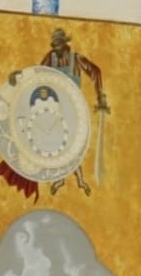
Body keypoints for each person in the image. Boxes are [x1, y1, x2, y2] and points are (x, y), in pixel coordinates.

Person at [41, 26, 108, 195]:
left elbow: (95, 71)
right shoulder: (50, 58)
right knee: (58, 145)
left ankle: (79, 179)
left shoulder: (76, 59)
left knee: (73, 145)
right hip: (56, 108)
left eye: (59, 45)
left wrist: (100, 95)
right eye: (54, 45)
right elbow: (38, 74)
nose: (56, 49)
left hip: (73, 108)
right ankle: (62, 177)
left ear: (64, 44)